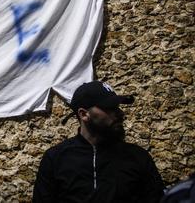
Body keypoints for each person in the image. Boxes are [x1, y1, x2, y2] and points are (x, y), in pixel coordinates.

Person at [33, 80, 164, 202]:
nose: (120, 113)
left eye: (117, 107)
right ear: (84, 114)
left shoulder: (138, 157)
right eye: (109, 108)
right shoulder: (56, 159)